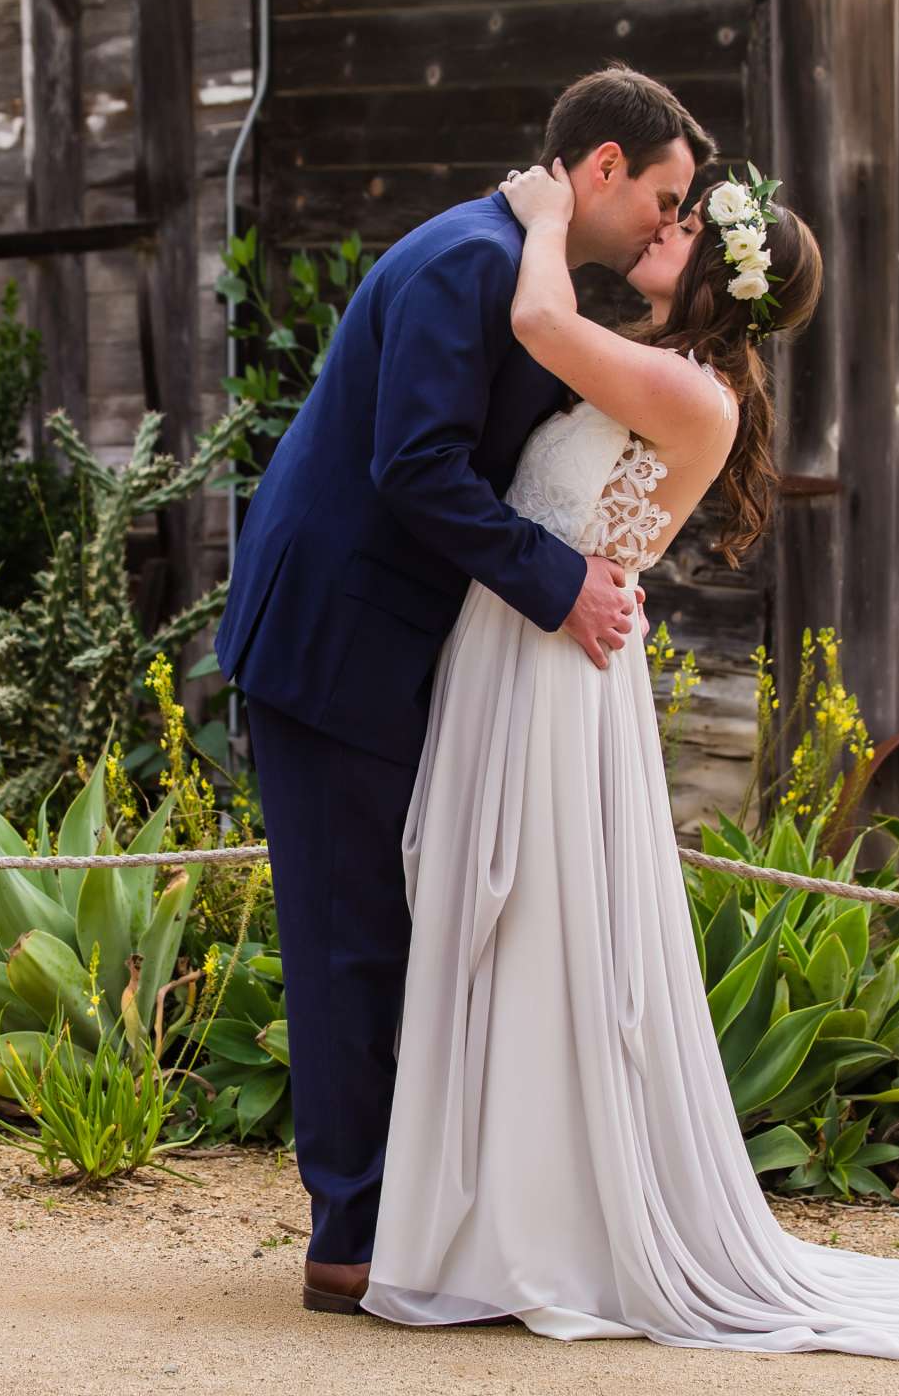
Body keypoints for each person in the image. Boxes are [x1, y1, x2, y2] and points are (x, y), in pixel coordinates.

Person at [353, 158, 899, 1359]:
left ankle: (536, 1231)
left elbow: (539, 320)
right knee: (497, 920)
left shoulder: (689, 389)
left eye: (686, 220)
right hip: (516, 650)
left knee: (540, 927)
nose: (664, 223)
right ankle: (482, 1222)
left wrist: (548, 214)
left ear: (717, 267)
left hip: (553, 679)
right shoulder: (663, 366)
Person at [214, 66, 704, 1310]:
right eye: (664, 193)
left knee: (409, 927)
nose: (666, 221)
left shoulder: (528, 270)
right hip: (336, 645)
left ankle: (419, 1214)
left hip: (410, 649)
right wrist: (560, 584)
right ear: (603, 167)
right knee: (350, 938)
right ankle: (349, 1238)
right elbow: (417, 465)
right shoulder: (471, 264)